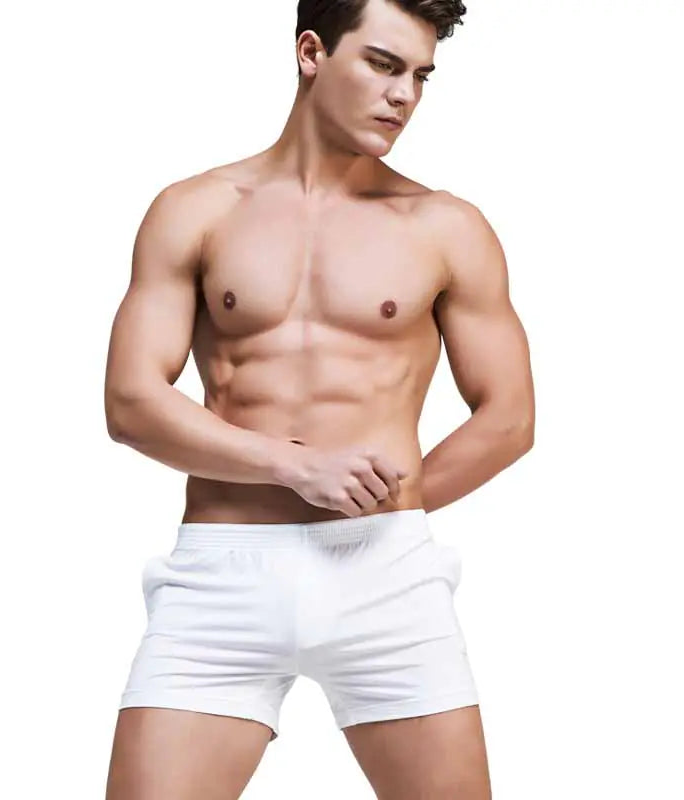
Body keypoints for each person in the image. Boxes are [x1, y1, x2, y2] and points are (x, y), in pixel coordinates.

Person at [103, 0, 534, 796]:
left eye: (421, 75)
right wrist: (295, 468)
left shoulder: (445, 226)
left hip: (386, 575)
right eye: (383, 64)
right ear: (311, 52)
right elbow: (131, 403)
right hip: (222, 578)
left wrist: (388, 505)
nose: (404, 94)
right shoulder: (197, 209)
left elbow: (508, 419)